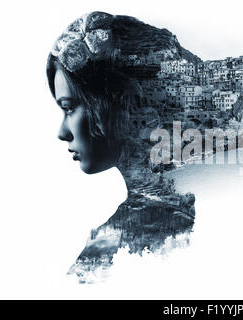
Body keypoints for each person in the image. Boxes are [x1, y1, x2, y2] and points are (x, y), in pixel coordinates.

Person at [46, 11, 195, 283]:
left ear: (121, 104)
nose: (62, 132)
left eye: (69, 108)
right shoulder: (196, 208)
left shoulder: (109, 251)